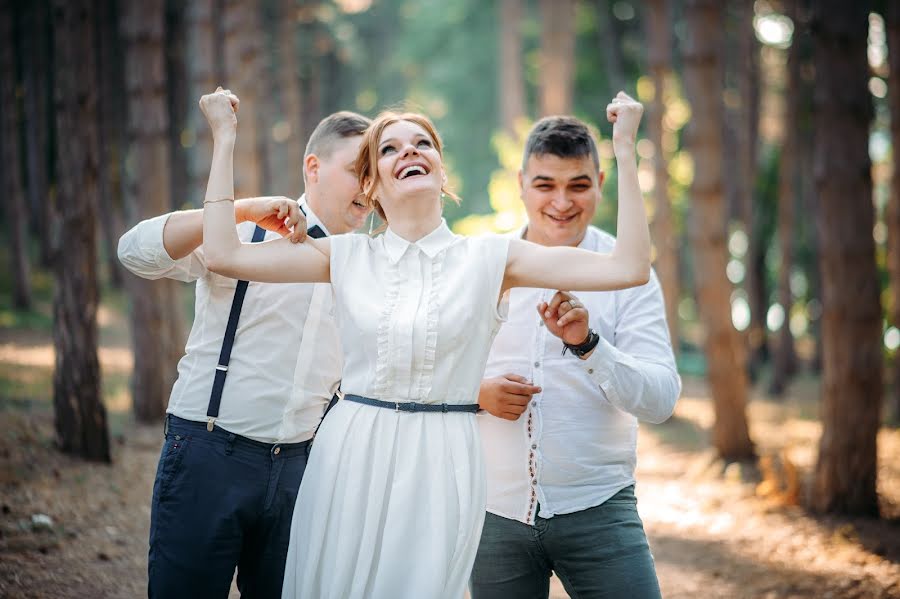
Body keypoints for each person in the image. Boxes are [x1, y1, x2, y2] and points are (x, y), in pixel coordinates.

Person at [198, 86, 650, 599]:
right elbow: (222, 254)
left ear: (441, 172)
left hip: (444, 458)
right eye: (389, 148)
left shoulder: (493, 258)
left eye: (422, 143)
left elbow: (630, 267)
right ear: (370, 184)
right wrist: (224, 137)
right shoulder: (342, 256)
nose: (409, 151)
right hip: (351, 451)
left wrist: (627, 148)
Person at [117, 110, 372, 599]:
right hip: (210, 454)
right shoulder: (244, 238)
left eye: (373, 175)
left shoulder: (371, 267)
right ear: (313, 168)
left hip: (304, 468)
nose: (368, 186)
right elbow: (134, 252)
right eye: (356, 170)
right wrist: (240, 210)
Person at [471, 116, 681, 599]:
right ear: (520, 184)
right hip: (493, 516)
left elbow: (661, 400)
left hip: (601, 511)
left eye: (578, 186)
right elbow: (425, 376)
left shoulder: (630, 273)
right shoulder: (482, 266)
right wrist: (474, 392)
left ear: (600, 185)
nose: (562, 203)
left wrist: (590, 345)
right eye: (545, 185)